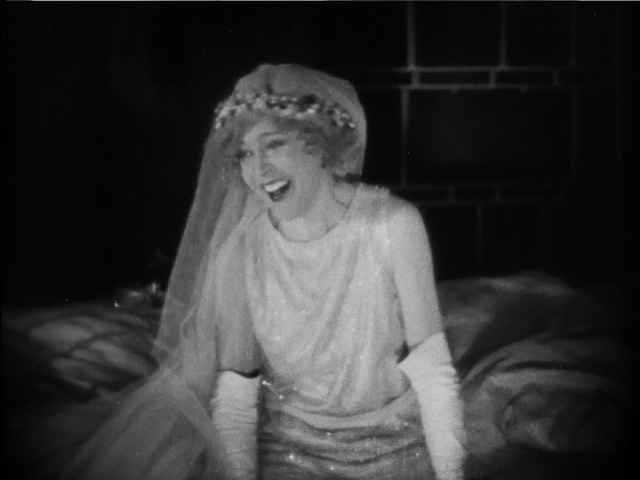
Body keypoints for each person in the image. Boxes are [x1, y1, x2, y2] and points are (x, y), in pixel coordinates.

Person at [43, 64, 465, 480]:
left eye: (274, 144)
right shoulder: (241, 250)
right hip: (290, 450)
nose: (258, 171)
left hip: (390, 444)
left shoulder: (393, 224)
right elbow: (236, 396)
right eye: (245, 153)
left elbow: (433, 370)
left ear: (319, 143)